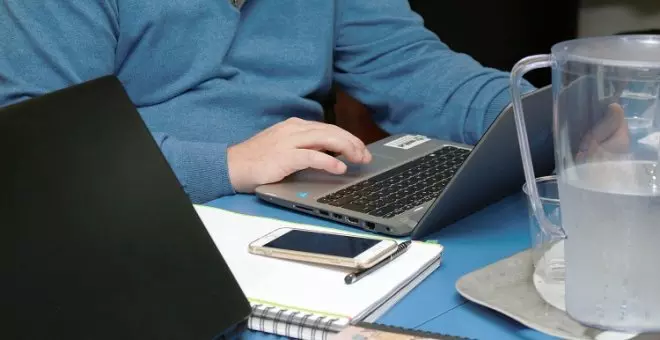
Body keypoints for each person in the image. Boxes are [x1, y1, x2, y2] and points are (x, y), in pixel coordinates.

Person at [0, 1, 626, 204]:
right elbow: (41, 151)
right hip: (139, 221)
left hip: (298, 203)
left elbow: (412, 68)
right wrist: (228, 166)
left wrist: (544, 115)